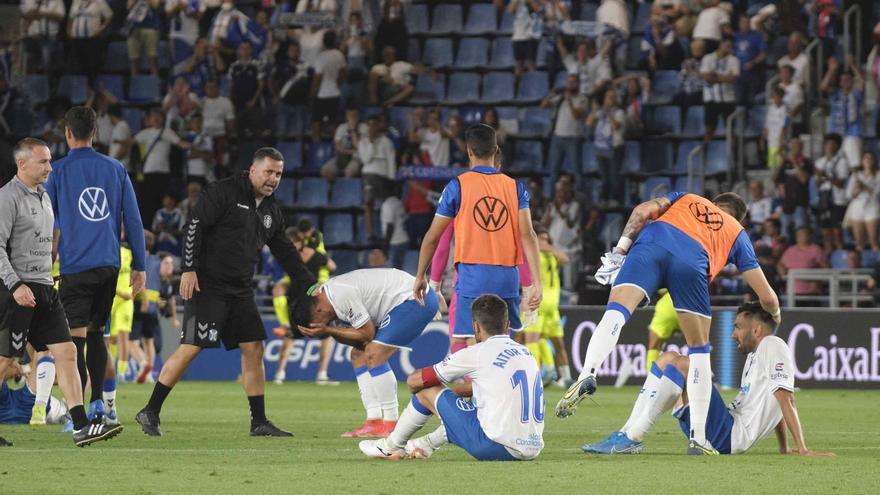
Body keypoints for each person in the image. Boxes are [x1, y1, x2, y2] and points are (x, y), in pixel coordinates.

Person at [556, 191, 780, 456]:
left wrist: (619, 252)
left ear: (714, 203)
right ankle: (698, 438)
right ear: (739, 218)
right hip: (692, 261)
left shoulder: (686, 197)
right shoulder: (736, 233)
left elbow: (641, 211)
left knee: (615, 313)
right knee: (698, 351)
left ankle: (587, 373)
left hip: (652, 244)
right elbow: (766, 296)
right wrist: (775, 316)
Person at [135, 147, 315, 437]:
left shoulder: (271, 211)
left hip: (241, 289)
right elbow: (193, 227)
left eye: (279, 174)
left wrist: (310, 284)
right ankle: (150, 410)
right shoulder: (224, 191)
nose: (273, 179)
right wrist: (190, 269)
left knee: (253, 347)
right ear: (253, 170)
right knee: (192, 348)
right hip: (208, 284)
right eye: (268, 172)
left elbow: (287, 254)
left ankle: (259, 422)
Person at [583, 303, 834, 457]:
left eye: (737, 326)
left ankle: (634, 438)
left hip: (729, 436)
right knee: (668, 356)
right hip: (721, 427)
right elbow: (777, 400)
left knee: (684, 363)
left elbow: (785, 398)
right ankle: (627, 433)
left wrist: (801, 448)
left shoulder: (773, 344)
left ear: (756, 330)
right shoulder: (757, 356)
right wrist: (783, 448)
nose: (733, 333)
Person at [1, 137, 122, 446]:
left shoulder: (43, 196)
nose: (50, 167)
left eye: (50, 161)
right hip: (17, 291)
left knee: (67, 353)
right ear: (22, 163)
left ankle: (81, 426)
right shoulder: (7, 198)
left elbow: (45, 241)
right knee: (5, 361)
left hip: (44, 288)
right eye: (43, 162)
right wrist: (15, 286)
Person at [46, 107, 147, 426]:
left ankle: (77, 414)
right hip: (109, 265)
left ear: (67, 133)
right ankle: (98, 405)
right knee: (97, 335)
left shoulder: (57, 172)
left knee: (73, 341)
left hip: (76, 266)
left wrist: (46, 257)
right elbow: (133, 219)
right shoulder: (116, 168)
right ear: (96, 133)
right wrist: (140, 266)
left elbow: (49, 221)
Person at [359, 294, 544, 461]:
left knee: (427, 391)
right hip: (532, 447)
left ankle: (390, 447)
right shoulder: (525, 352)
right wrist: (454, 396)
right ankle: (424, 444)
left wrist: (441, 397)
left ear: (476, 326)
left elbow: (414, 381)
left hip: (495, 447)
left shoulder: (478, 353)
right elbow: (498, 389)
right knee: (475, 402)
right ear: (508, 324)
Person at [413, 124, 542, 352]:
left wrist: (422, 277)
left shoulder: (457, 187)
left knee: (473, 347)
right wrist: (534, 284)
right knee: (502, 348)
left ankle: (479, 389)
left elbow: (434, 238)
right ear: (496, 150)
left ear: (469, 151)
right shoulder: (516, 187)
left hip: (473, 279)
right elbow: (528, 236)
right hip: (507, 280)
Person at [295, 268, 439, 438]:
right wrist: (329, 329)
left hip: (414, 300)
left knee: (374, 354)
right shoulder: (330, 300)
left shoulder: (340, 295)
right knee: (358, 355)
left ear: (318, 310)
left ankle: (391, 423)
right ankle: (374, 421)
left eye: (315, 325)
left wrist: (328, 329)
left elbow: (367, 334)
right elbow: (359, 341)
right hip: (402, 301)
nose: (317, 330)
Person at [271, 227, 337, 386]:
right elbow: (332, 266)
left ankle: (321, 374)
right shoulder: (308, 255)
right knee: (292, 335)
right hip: (303, 299)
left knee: (325, 336)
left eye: (292, 242)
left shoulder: (289, 257)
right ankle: (280, 374)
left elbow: (331, 267)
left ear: (299, 241)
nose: (290, 245)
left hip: (311, 300)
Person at [523, 228, 571, 388]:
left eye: (546, 239)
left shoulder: (541, 254)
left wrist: (546, 247)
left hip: (538, 302)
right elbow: (565, 259)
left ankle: (535, 376)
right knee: (545, 340)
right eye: (541, 238)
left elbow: (565, 259)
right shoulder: (550, 254)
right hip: (551, 304)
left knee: (531, 341)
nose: (544, 242)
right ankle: (554, 371)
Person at [813, 133, 850, 252]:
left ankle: (840, 255)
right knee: (826, 232)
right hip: (824, 200)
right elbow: (817, 184)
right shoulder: (820, 162)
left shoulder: (842, 161)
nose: (830, 146)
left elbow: (840, 183)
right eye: (828, 143)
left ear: (838, 146)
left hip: (837, 200)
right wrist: (820, 177)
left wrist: (825, 175)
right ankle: (828, 257)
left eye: (833, 144)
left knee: (837, 232)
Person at [700, 37, 739, 145]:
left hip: (728, 99)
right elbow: (705, 76)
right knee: (709, 128)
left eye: (730, 46)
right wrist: (723, 78)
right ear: (720, 45)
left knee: (730, 128)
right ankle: (705, 151)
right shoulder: (708, 58)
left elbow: (733, 78)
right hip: (711, 98)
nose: (728, 49)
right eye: (727, 46)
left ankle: (734, 154)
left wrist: (715, 76)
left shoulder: (734, 60)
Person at [845, 151, 880, 251]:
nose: (868, 160)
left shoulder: (878, 175)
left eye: (870, 158)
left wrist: (864, 187)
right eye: (866, 158)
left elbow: (876, 193)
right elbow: (848, 195)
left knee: (873, 239)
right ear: (862, 161)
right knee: (859, 241)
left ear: (874, 161)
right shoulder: (856, 175)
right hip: (858, 207)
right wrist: (856, 190)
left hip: (872, 207)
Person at [762, 86, 790, 169]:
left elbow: (784, 127)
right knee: (772, 164)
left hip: (781, 140)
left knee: (780, 165)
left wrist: (781, 142)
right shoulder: (771, 108)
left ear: (781, 97)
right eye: (773, 96)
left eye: (776, 96)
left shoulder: (785, 109)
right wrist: (763, 138)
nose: (775, 98)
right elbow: (767, 124)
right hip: (771, 140)